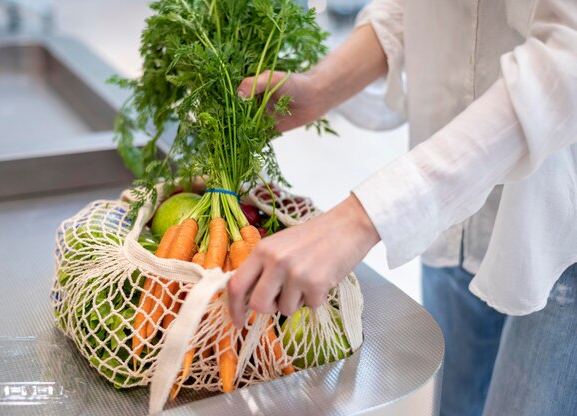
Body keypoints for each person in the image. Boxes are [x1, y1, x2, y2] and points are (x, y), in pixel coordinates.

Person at [228, 1, 577, 415]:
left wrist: (360, 219)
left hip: (556, 230)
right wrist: (322, 87)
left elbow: (566, 62)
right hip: (451, 215)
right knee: (452, 405)